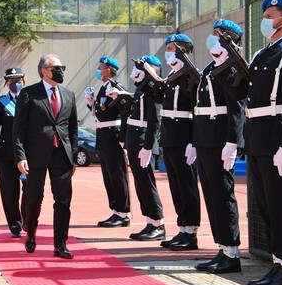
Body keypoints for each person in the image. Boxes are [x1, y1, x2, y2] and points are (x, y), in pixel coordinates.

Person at [215, 0, 282, 285]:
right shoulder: (260, 55)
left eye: (271, 14)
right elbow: (241, 93)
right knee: (266, 207)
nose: (265, 19)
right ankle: (277, 263)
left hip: (277, 141)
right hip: (258, 139)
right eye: (265, 14)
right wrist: (225, 64)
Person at [192, 19, 245, 274]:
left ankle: (232, 253)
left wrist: (233, 142)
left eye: (218, 34)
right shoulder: (210, 68)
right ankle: (222, 247)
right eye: (212, 33)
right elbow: (199, 109)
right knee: (212, 196)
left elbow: (237, 109)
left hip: (220, 140)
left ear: (230, 40)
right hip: (205, 139)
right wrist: (194, 140)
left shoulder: (233, 68)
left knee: (223, 196)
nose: (212, 38)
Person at [13, 54, 78, 260]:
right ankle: (31, 234)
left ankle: (60, 244)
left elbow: (73, 128)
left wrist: (73, 156)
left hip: (62, 155)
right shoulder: (28, 93)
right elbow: (19, 128)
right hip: (35, 155)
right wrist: (20, 156)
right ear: (44, 71)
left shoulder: (69, 94)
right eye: (56, 68)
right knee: (34, 199)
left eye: (62, 67)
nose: (60, 71)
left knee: (63, 200)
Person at [142, 34, 201, 251]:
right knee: (176, 186)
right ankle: (182, 228)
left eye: (171, 48)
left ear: (182, 50)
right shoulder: (173, 76)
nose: (167, 52)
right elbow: (159, 99)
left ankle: (191, 231)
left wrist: (194, 141)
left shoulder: (190, 76)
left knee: (187, 186)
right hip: (170, 138)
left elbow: (197, 110)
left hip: (184, 137)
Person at [108, 55, 165, 241]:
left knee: (147, 184)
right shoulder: (141, 90)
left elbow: (154, 121)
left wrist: (148, 146)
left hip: (142, 142)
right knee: (140, 185)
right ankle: (149, 222)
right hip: (134, 140)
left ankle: (158, 224)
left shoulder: (152, 91)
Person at [84, 56, 130, 228]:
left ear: (108, 70)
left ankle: (123, 213)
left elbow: (126, 112)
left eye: (100, 67)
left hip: (113, 135)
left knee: (117, 174)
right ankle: (115, 210)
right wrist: (91, 104)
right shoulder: (104, 88)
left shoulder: (115, 88)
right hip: (102, 135)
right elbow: (101, 113)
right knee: (108, 176)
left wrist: (123, 139)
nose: (98, 70)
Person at [0, 68, 27, 238]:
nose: (15, 84)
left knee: (31, 189)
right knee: (9, 192)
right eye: (11, 81)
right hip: (6, 153)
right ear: (6, 83)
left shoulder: (30, 100)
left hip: (28, 153)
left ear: (23, 82)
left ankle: (27, 218)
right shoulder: (0, 102)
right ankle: (15, 225)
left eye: (18, 80)